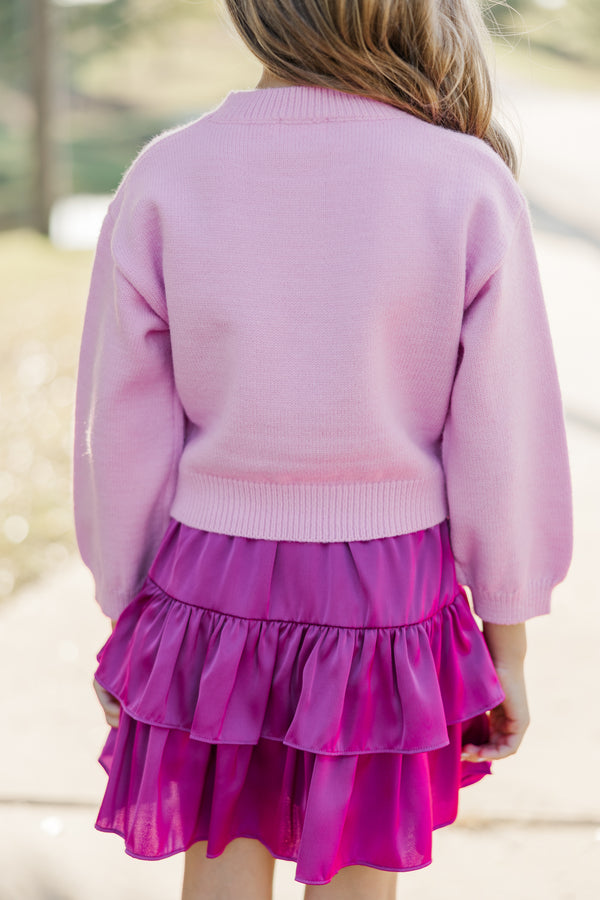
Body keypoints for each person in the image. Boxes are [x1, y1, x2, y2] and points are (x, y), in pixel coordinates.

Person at [73, 1, 573, 898]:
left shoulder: (169, 173)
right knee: (357, 880)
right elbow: (507, 439)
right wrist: (509, 642)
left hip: (206, 584)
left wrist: (125, 609)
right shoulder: (463, 182)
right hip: (387, 594)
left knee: (219, 862)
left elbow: (122, 428)